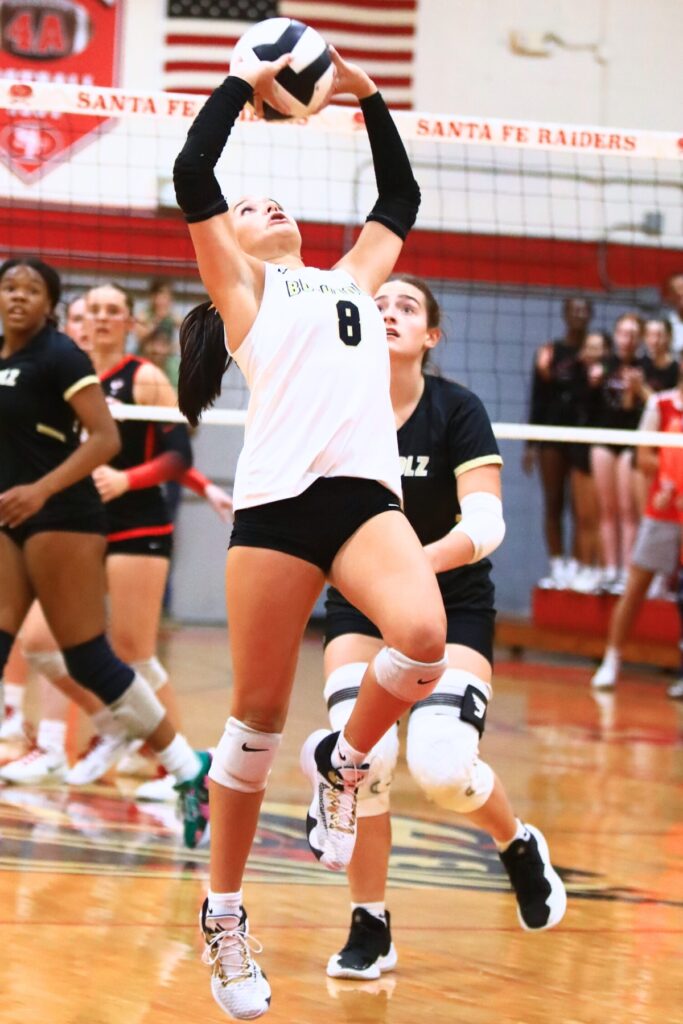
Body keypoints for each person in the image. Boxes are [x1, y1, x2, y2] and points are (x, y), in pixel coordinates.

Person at [173, 48, 451, 1019]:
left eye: (271, 202)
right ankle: (222, 913)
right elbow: (189, 177)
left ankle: (343, 759)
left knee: (422, 641)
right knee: (251, 724)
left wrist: (369, 96)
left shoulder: (352, 276)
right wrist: (239, 78)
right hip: (277, 509)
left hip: (363, 499)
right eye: (247, 210)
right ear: (232, 246)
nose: (265, 210)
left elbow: (401, 192)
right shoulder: (244, 297)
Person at [319, 274, 566, 979]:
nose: (389, 312)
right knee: (362, 765)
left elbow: (485, 522)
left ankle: (515, 842)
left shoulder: (456, 408)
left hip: (451, 602)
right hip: (361, 609)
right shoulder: (335, 410)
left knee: (441, 766)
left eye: (406, 307)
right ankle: (370, 925)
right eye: (378, 304)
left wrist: (406, 567)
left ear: (431, 335)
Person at [0, 258, 210, 843]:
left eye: (32, 289)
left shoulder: (62, 356)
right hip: (11, 518)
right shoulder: (4, 357)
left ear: (52, 304)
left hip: (64, 517)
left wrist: (41, 489)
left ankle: (188, 770)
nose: (18, 296)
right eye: (8, 286)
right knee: (15, 642)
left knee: (96, 655)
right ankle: (89, 733)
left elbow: (108, 439)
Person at [592, 373, 683, 690]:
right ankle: (611, 660)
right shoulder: (662, 405)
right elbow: (644, 457)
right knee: (634, 589)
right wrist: (670, 480)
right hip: (663, 510)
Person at [524, 296, 593, 589]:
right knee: (554, 502)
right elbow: (538, 399)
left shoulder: (596, 351)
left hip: (584, 435)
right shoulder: (549, 352)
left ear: (589, 316)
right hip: (551, 434)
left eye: (583, 310)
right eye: (573, 309)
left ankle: (577, 566)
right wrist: (530, 444)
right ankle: (557, 566)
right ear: (565, 314)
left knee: (581, 507)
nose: (578, 315)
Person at [588, 312, 648, 593]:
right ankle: (610, 570)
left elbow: (636, 409)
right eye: (624, 333)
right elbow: (584, 402)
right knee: (606, 509)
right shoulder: (602, 366)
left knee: (627, 510)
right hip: (602, 439)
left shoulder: (644, 368)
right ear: (616, 335)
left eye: (634, 334)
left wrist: (638, 388)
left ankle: (627, 571)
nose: (628, 339)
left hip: (628, 441)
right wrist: (592, 381)